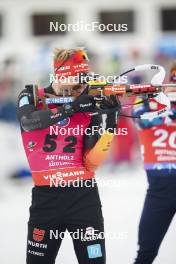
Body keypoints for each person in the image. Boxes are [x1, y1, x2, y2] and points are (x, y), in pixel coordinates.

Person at [17, 48, 120, 264]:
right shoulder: (32, 95)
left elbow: (92, 162)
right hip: (46, 199)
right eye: (78, 81)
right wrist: (71, 108)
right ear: (62, 75)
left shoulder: (86, 104)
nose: (82, 88)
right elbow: (28, 122)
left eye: (85, 82)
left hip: (84, 198)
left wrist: (110, 122)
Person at [132, 63, 176, 264]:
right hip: (159, 192)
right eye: (173, 82)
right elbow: (140, 118)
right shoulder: (148, 100)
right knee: (146, 252)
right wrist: (166, 107)